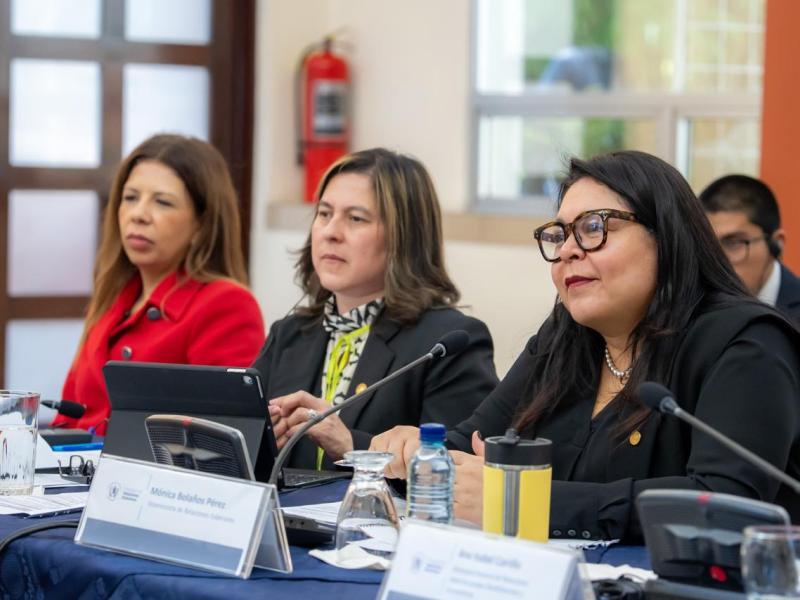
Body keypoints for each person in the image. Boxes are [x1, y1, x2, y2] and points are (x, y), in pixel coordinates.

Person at [372, 150, 800, 541]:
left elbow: (724, 503)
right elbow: (472, 444)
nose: (567, 251)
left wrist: (526, 502)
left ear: (667, 236)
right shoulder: (565, 337)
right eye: (559, 235)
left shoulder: (747, 344)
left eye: (593, 228)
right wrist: (418, 452)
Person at [252, 148, 498, 470]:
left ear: (403, 237)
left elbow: (457, 467)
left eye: (356, 218)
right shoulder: (288, 335)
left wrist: (351, 444)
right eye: (324, 214)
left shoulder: (447, 342)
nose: (331, 232)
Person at [57, 134, 265, 434]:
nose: (139, 215)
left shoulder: (227, 304)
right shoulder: (113, 298)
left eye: (162, 202)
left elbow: (224, 438)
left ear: (202, 224)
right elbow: (67, 417)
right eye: (130, 198)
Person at [699, 174, 800, 322]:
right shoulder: (688, 312)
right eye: (709, 245)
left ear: (776, 243)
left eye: (734, 243)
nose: (718, 261)